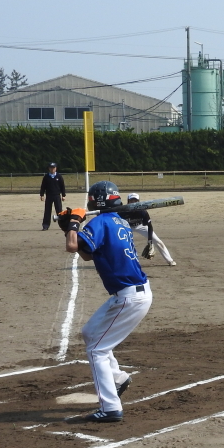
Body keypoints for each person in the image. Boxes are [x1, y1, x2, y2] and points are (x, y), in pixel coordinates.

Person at [59, 181, 152, 423]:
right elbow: (86, 254)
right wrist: (69, 228)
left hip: (129, 297)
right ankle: (118, 378)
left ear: (95, 201)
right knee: (90, 332)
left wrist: (74, 224)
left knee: (97, 350)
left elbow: (71, 247)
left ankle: (110, 408)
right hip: (130, 294)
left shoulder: (100, 221)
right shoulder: (117, 221)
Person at [124, 192, 176, 266]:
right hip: (127, 227)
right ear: (128, 201)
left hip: (140, 225)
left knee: (158, 241)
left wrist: (150, 241)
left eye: (135, 200)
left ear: (138, 201)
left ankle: (170, 260)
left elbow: (149, 226)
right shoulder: (122, 211)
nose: (133, 202)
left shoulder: (142, 211)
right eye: (132, 200)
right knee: (120, 243)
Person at [39, 162, 66, 231]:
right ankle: (45, 225)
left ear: (56, 168)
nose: (52, 169)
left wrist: (63, 195)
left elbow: (62, 186)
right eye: (51, 168)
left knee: (59, 211)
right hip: (49, 196)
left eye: (53, 168)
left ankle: (63, 225)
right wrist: (42, 195)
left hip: (57, 195)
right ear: (49, 168)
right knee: (47, 211)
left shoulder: (59, 176)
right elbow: (43, 186)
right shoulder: (46, 177)